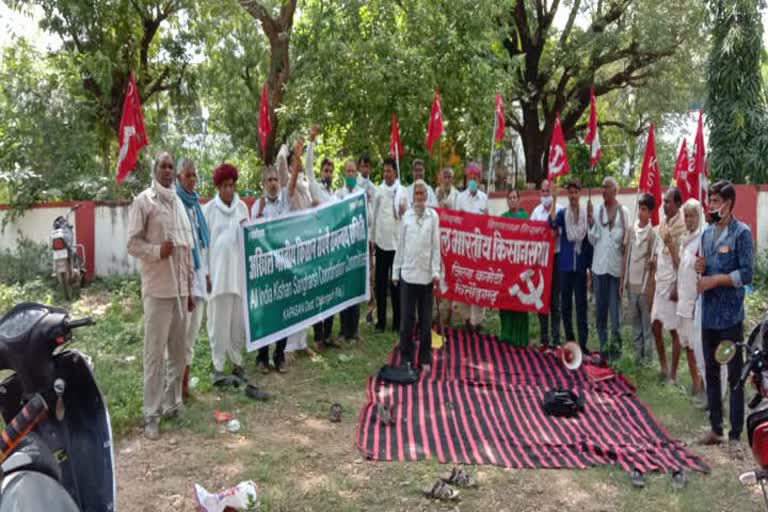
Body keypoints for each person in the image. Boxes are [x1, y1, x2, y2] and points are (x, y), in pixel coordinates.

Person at [127, 151, 194, 440]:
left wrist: (189, 289)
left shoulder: (179, 202)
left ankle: (172, 405)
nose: (167, 170)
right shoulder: (144, 202)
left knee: (178, 355)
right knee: (154, 356)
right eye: (163, 166)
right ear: (155, 170)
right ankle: (150, 414)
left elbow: (186, 250)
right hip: (157, 292)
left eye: (171, 166)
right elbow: (132, 243)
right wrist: (156, 251)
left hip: (180, 292)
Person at [696, 180, 753, 448]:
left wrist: (716, 279)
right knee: (711, 371)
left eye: (715, 201)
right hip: (709, 316)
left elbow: (747, 274)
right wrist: (701, 268)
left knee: (734, 375)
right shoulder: (707, 234)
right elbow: (704, 270)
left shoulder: (741, 233)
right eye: (710, 200)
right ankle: (716, 428)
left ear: (728, 204)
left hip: (730, 318)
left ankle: (735, 435)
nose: (710, 205)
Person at [204, 163, 250, 385]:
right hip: (218, 277)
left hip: (238, 277)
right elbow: (204, 246)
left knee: (237, 324)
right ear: (218, 187)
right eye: (224, 186)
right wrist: (206, 273)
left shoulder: (242, 208)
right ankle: (218, 367)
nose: (229, 190)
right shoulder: (209, 210)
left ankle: (238, 363)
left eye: (232, 185)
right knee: (218, 324)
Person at [277, 127, 321, 354]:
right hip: (293, 244)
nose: (301, 160)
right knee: (294, 294)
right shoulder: (289, 183)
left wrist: (312, 206)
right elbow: (291, 186)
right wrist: (293, 154)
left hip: (308, 243)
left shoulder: (305, 181)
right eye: (297, 158)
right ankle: (290, 346)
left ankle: (302, 342)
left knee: (306, 293)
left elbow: (305, 201)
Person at [393, 180, 441, 373]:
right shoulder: (406, 217)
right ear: (413, 196)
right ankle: (405, 357)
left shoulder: (433, 217)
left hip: (426, 277)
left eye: (422, 194)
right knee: (407, 320)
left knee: (426, 320)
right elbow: (401, 246)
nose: (419, 197)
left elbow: (436, 247)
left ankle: (424, 358)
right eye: (417, 194)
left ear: (426, 196)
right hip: (408, 276)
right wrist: (396, 272)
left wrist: (436, 271)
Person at [175, 158, 209, 400]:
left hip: (199, 278)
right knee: (181, 335)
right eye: (188, 175)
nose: (192, 179)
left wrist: (206, 273)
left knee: (193, 334)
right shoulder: (175, 204)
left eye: (194, 175)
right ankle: (176, 388)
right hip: (183, 282)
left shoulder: (196, 205)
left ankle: (185, 387)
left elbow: (201, 244)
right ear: (178, 178)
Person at [588, 177, 630, 362]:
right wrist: (590, 223)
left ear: (615, 190)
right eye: (602, 186)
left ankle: (616, 354)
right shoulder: (597, 210)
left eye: (606, 187)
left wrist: (624, 276)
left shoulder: (624, 212)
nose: (603, 189)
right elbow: (593, 240)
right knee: (601, 313)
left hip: (615, 271)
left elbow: (627, 243)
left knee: (615, 314)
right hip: (599, 268)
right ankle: (604, 352)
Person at [251, 166, 288, 373]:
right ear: (264, 184)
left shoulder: (286, 204)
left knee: (283, 311)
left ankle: (279, 356)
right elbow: (251, 234)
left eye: (276, 179)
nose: (273, 183)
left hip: (283, 266)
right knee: (265, 313)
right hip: (264, 268)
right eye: (269, 180)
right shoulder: (258, 205)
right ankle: (262, 357)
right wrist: (258, 213)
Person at [549, 178, 592, 352]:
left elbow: (591, 241)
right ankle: (570, 341)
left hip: (581, 267)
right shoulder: (562, 213)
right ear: (567, 194)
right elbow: (551, 223)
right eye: (570, 192)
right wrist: (553, 199)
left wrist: (589, 270)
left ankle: (583, 343)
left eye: (576, 192)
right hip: (565, 267)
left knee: (581, 306)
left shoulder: (586, 213)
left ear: (580, 194)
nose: (573, 196)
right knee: (565, 305)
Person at [651, 188, 686, 383]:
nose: (665, 205)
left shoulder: (683, 227)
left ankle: (673, 375)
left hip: (673, 284)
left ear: (678, 204)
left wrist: (677, 285)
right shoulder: (662, 224)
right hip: (660, 282)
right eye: (664, 201)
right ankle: (663, 368)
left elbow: (681, 263)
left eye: (669, 202)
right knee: (655, 326)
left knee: (674, 330)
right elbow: (660, 250)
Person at [307, 153, 337, 351]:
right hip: (317, 249)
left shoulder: (334, 194)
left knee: (331, 292)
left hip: (332, 249)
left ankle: (327, 334)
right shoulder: (315, 188)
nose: (328, 174)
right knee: (319, 292)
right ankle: (318, 336)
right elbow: (307, 169)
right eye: (325, 170)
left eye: (330, 171)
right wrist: (310, 143)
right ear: (320, 172)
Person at [371, 157, 404, 333]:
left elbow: (405, 217)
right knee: (381, 284)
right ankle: (381, 322)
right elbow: (374, 216)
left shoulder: (402, 191)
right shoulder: (379, 190)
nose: (386, 174)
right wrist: (372, 238)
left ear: (395, 172)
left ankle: (398, 322)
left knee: (396, 284)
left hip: (397, 246)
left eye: (389, 171)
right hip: (382, 244)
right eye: (384, 171)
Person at [676, 198, 705, 401]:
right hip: (683, 302)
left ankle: (703, 388)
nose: (688, 219)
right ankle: (696, 384)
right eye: (686, 215)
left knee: (698, 348)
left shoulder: (701, 241)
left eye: (692, 215)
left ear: (699, 216)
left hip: (695, 304)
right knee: (687, 344)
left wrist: (698, 303)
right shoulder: (686, 241)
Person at [455, 162, 489, 332]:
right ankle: (467, 318)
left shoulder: (484, 198)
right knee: (465, 283)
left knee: (478, 284)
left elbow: (488, 222)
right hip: (464, 249)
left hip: (479, 249)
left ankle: (477, 320)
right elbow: (455, 221)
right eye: (470, 178)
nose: (473, 180)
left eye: (476, 177)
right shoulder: (460, 198)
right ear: (467, 178)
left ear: (480, 179)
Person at [624, 193, 656, 366]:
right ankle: (637, 356)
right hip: (632, 283)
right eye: (640, 209)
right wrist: (624, 280)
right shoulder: (631, 230)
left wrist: (651, 284)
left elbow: (653, 263)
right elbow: (626, 255)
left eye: (645, 210)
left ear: (650, 213)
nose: (641, 213)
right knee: (635, 321)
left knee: (646, 324)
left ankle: (648, 358)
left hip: (644, 286)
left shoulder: (652, 234)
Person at [530, 179, 562, 348]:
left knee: (555, 302)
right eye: (543, 191)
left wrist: (555, 203)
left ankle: (556, 340)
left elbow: (556, 230)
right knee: (541, 300)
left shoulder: (561, 209)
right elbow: (531, 235)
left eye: (548, 191)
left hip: (556, 259)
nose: (545, 194)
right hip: (540, 261)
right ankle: (544, 339)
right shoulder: (536, 212)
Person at [336, 160, 365, 343]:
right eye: (348, 171)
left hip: (357, 248)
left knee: (355, 288)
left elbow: (367, 218)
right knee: (343, 289)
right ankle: (342, 330)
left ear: (356, 174)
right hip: (342, 249)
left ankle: (354, 330)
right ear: (344, 174)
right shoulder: (338, 194)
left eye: (353, 171)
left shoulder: (362, 195)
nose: (351, 174)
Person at [498, 189, 529, 347]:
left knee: (520, 300)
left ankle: (521, 338)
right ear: (507, 200)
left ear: (519, 199)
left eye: (514, 197)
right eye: (509, 198)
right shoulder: (503, 218)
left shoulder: (525, 217)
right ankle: (506, 335)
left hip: (521, 266)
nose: (512, 200)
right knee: (507, 299)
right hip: (507, 266)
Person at [435, 167, 459, 326]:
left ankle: (450, 313)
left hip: (453, 241)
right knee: (438, 274)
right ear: (441, 178)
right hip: (438, 240)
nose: (447, 179)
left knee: (451, 275)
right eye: (445, 176)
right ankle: (438, 313)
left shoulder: (458, 195)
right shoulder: (436, 192)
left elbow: (459, 216)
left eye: (449, 176)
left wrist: (447, 205)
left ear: (453, 179)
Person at [357, 153, 378, 326]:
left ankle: (371, 309)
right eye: (362, 166)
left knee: (371, 275)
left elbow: (375, 214)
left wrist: (373, 237)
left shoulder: (373, 188)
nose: (365, 169)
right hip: (356, 238)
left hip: (369, 237)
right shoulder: (353, 185)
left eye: (367, 166)